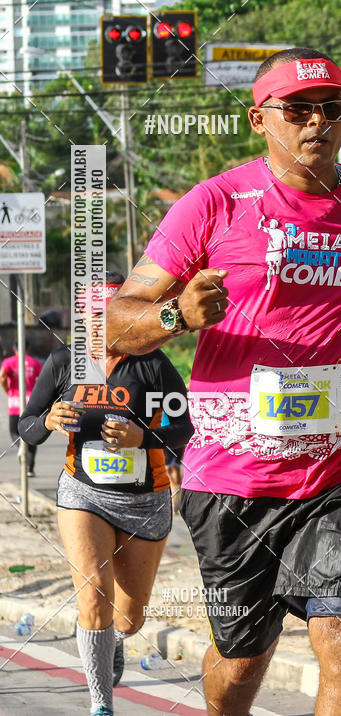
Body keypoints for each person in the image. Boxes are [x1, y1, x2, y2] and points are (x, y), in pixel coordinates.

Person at [106, 48, 341, 716]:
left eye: (333, 108)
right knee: (241, 661)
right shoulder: (213, 203)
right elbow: (115, 326)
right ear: (259, 119)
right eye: (297, 109)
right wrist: (174, 313)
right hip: (233, 480)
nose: (317, 122)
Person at [19, 272, 193, 716]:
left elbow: (186, 428)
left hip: (145, 500)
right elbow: (28, 426)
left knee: (129, 618)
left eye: (109, 314)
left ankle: (115, 640)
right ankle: (102, 706)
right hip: (83, 493)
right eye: (92, 315)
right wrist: (49, 421)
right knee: (93, 595)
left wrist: (143, 437)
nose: (100, 324)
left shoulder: (152, 364)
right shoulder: (63, 363)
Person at [1, 342, 42, 476]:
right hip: (31, 401)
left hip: (15, 401)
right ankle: (30, 468)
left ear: (14, 349)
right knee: (32, 433)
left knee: (14, 431)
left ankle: (20, 447)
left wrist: (8, 390)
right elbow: (42, 381)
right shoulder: (35, 363)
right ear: (28, 348)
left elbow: (2, 378)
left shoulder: (8, 362)